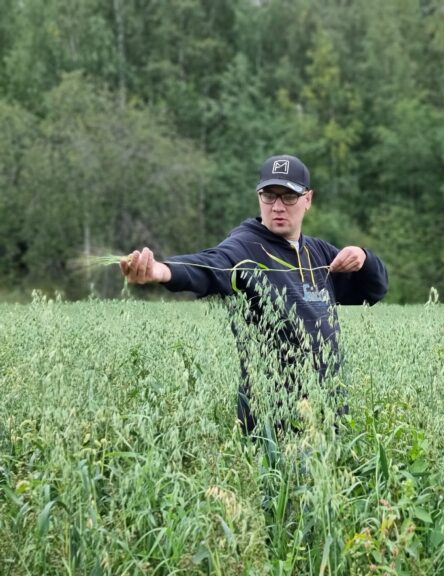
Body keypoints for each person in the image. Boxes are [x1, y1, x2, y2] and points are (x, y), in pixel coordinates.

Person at [120, 154, 388, 435]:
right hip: (273, 423)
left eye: (289, 197)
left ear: (307, 200)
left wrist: (363, 257)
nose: (278, 207)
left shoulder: (318, 253)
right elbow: (209, 265)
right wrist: (163, 271)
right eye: (269, 196)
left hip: (329, 416)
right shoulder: (245, 248)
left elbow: (374, 291)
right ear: (259, 196)